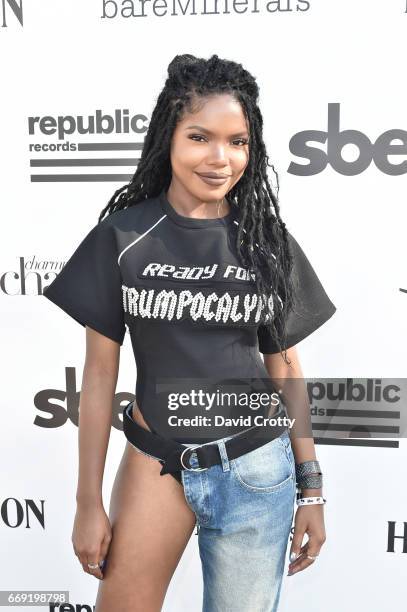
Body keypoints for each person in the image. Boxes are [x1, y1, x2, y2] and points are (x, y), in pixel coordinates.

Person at [43, 53, 336, 612]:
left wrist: (312, 488)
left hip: (255, 466)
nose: (220, 159)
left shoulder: (264, 239)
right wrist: (87, 502)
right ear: (168, 138)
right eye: (200, 137)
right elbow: (101, 372)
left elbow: (285, 365)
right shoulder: (124, 236)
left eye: (238, 141)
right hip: (158, 462)